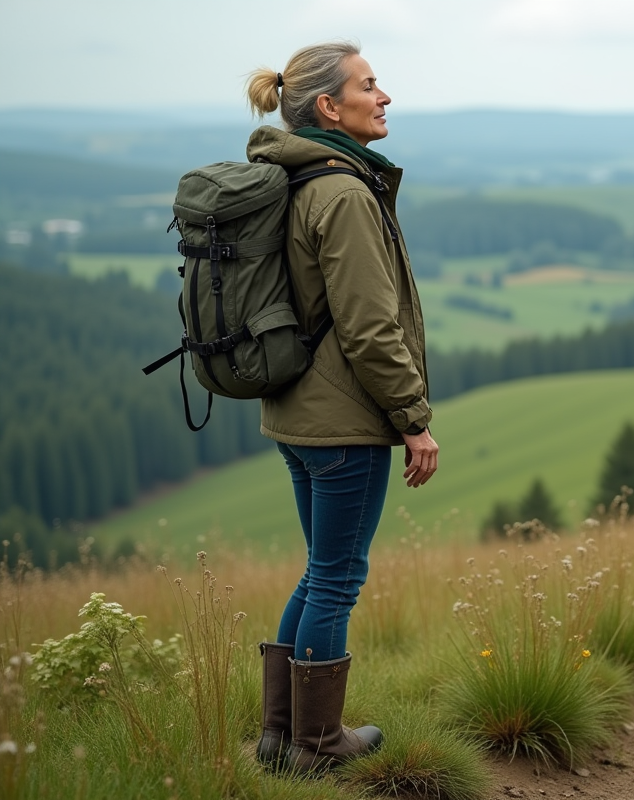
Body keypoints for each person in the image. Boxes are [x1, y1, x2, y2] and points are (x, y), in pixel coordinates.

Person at [244, 40, 439, 773]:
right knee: (337, 576)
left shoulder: (295, 178)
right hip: (344, 421)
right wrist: (413, 420)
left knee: (319, 569)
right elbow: (368, 326)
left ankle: (278, 737)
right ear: (330, 107)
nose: (383, 96)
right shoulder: (345, 193)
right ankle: (319, 745)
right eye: (368, 85)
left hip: (297, 413)